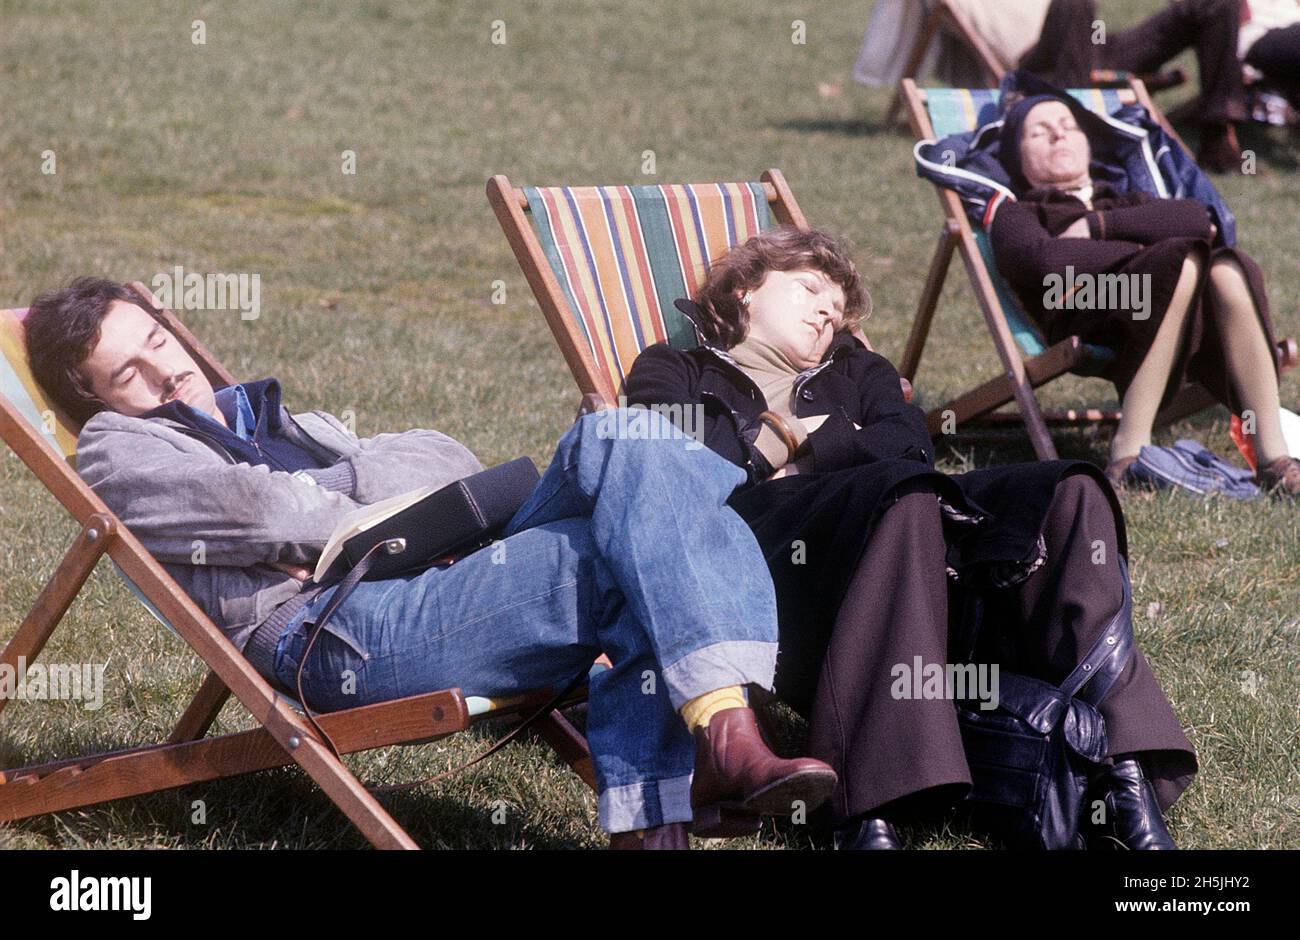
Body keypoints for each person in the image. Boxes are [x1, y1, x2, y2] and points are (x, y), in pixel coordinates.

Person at [21, 276, 841, 850]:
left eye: (159, 339)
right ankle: (706, 761)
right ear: (96, 397)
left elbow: (445, 454)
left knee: (626, 440)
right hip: (333, 634)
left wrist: (340, 497)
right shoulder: (117, 449)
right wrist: (352, 504)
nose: (168, 367)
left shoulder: (273, 417)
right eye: (130, 369)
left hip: (423, 570)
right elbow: (259, 510)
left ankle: (699, 768)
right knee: (632, 542)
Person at [623, 227, 1199, 850]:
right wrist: (801, 444)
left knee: (1069, 492)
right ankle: (867, 810)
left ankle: (1126, 773)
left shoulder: (859, 368)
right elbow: (675, 465)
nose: (826, 311)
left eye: (837, 307)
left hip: (906, 550)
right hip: (762, 562)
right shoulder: (674, 368)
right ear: (743, 291)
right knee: (903, 493)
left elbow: (910, 446)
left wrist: (801, 441)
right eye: (809, 289)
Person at [988, 91, 1300, 494]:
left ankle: (1274, 460)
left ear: (1087, 144)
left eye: (1068, 127)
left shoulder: (1123, 200)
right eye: (1039, 132)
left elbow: (1199, 221)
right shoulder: (1019, 213)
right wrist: (1143, 248)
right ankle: (1127, 451)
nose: (1059, 137)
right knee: (1182, 259)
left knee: (1226, 266)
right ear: (1018, 156)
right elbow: (1047, 264)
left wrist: (1098, 227)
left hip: (1165, 297)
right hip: (1085, 303)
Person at [1020, 0, 1250, 172]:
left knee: (1216, 2)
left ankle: (1217, 139)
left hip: (1099, 46)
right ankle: (1079, 145)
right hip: (1047, 53)